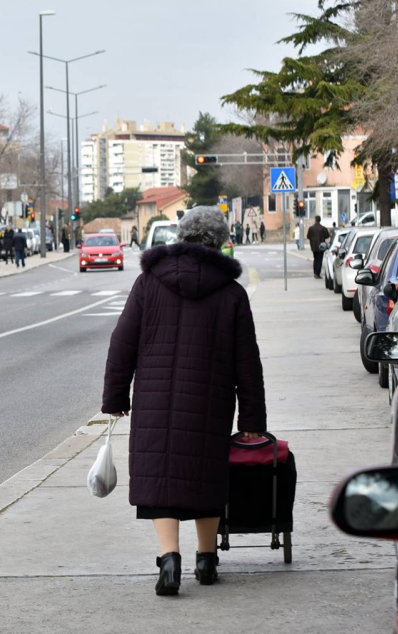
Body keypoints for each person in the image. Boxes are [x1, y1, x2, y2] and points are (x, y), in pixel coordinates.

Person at [101, 205, 267, 596]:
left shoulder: (148, 282)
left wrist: (115, 397)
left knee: (161, 478)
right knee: (205, 477)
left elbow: (122, 342)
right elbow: (248, 362)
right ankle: (206, 558)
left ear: (182, 236)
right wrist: (252, 421)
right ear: (221, 240)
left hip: (154, 401)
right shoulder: (232, 293)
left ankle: (169, 557)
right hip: (211, 403)